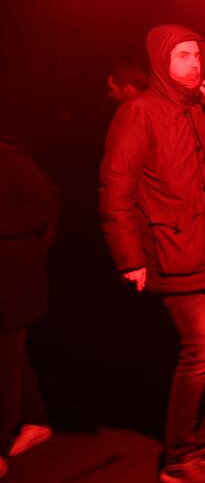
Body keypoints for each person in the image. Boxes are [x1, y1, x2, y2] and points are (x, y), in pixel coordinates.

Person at [99, 25, 205, 483]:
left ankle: (194, 437)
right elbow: (115, 188)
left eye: (196, 55)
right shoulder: (138, 112)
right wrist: (129, 257)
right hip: (171, 252)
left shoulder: (200, 107)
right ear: (160, 62)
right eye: (182, 55)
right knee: (202, 347)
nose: (193, 63)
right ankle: (178, 457)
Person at [0, 135, 58, 480]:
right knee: (11, 356)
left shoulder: (11, 160)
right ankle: (36, 421)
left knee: (5, 362)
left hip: (12, 280)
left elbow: (42, 209)